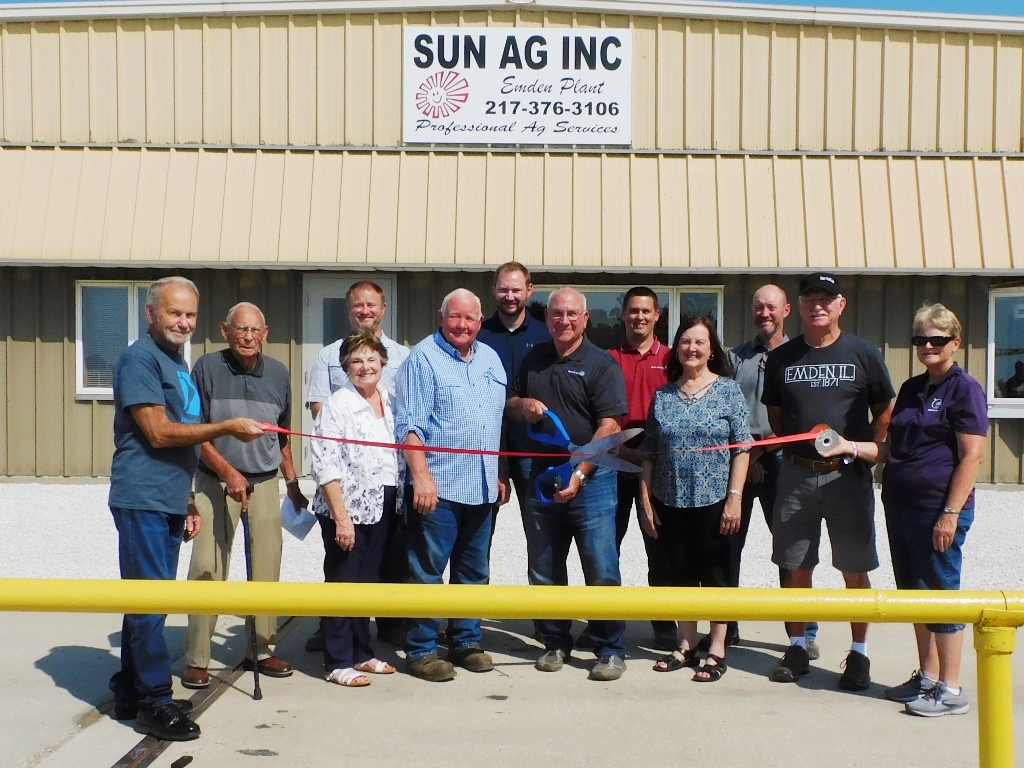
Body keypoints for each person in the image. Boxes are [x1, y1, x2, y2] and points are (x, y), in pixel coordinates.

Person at [108, 277, 264, 741]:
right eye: (174, 313)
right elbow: (158, 432)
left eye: (190, 314)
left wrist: (189, 498)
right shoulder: (139, 359)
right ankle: (155, 701)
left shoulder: (176, 362)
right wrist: (227, 428)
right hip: (143, 495)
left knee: (147, 598)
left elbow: (184, 439)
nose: (183, 322)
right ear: (151, 313)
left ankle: (131, 689)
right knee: (151, 600)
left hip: (170, 496)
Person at [819, 303, 986, 716]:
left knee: (941, 593)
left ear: (956, 343)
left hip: (937, 509)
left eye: (937, 339)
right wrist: (847, 446)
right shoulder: (912, 388)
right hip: (900, 504)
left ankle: (951, 689)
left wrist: (950, 513)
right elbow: (890, 449)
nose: (928, 346)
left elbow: (972, 456)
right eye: (920, 339)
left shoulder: (964, 388)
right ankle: (928, 677)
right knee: (914, 592)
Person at [761, 272, 895, 690]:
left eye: (826, 298)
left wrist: (861, 450)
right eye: (810, 298)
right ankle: (798, 646)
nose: (818, 305)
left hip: (846, 476)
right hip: (796, 475)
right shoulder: (783, 358)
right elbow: (777, 417)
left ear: (841, 305)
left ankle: (859, 654)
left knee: (854, 567)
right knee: (796, 564)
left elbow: (884, 411)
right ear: (799, 306)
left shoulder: (862, 353)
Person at [507, 287, 630, 682]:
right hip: (542, 476)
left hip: (592, 479)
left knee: (601, 567)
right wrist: (522, 406)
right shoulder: (533, 359)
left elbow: (610, 426)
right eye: (557, 313)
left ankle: (609, 648)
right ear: (547, 318)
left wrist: (579, 473)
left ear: (585, 318)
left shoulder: (601, 364)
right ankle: (555, 641)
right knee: (543, 566)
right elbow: (511, 402)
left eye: (572, 314)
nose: (564, 320)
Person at [181, 302, 306, 690]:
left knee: (266, 566)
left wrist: (292, 482)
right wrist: (227, 472)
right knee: (207, 565)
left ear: (265, 334)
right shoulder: (206, 368)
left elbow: (282, 435)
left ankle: (263, 649)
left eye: (255, 330)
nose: (248, 337)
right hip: (215, 480)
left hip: (264, 481)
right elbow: (197, 432)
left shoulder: (279, 373)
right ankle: (198, 657)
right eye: (240, 329)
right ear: (225, 331)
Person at [394, 289, 509, 682]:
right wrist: (421, 476)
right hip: (439, 488)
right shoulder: (423, 359)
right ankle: (422, 649)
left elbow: (494, 421)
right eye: (455, 317)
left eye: (470, 318)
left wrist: (499, 470)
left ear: (480, 321)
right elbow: (409, 425)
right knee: (427, 570)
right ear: (441, 317)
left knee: (474, 570)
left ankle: (466, 640)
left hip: (482, 486)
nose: (462, 325)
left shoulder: (490, 359)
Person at [639, 316, 751, 682]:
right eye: (686, 341)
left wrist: (735, 497)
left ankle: (717, 648)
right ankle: (686, 645)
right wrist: (646, 500)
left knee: (718, 574)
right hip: (670, 500)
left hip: (715, 501)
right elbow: (649, 453)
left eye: (700, 342)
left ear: (711, 349)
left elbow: (742, 449)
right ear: (677, 348)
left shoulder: (728, 391)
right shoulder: (663, 396)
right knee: (679, 574)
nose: (692, 348)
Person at [305, 280, 410, 651]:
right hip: (348, 492)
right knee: (344, 572)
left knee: (375, 571)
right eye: (358, 305)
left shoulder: (401, 363)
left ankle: (368, 643)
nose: (365, 366)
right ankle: (338, 650)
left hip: (386, 494)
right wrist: (342, 513)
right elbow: (323, 432)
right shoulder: (333, 378)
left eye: (372, 305)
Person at [727, 285, 818, 656]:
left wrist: (762, 455)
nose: (764, 313)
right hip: (739, 461)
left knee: (790, 549)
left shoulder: (801, 356)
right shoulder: (735, 358)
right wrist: (747, 457)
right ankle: (725, 627)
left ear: (786, 311)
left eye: (771, 307)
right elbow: (727, 410)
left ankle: (803, 634)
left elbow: (803, 415)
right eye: (758, 307)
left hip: (783, 460)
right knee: (728, 545)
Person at [608, 287, 675, 651]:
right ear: (623, 315)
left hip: (658, 470)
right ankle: (604, 622)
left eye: (646, 311)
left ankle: (664, 623)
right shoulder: (608, 359)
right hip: (614, 464)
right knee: (606, 549)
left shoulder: (671, 358)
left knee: (660, 548)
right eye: (633, 310)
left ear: (657, 315)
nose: (639, 317)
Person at [476, 262, 552, 510]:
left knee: (539, 521)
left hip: (531, 445)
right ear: (493, 289)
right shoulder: (478, 335)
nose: (509, 296)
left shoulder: (545, 336)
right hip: (486, 445)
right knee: (481, 522)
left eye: (516, 290)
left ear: (529, 290)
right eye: (503, 290)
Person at [306, 280, 410, 416]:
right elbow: (318, 405)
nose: (365, 311)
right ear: (349, 308)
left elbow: (412, 404)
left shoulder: (404, 356)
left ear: (383, 308)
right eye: (359, 305)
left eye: (371, 305)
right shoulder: (327, 355)